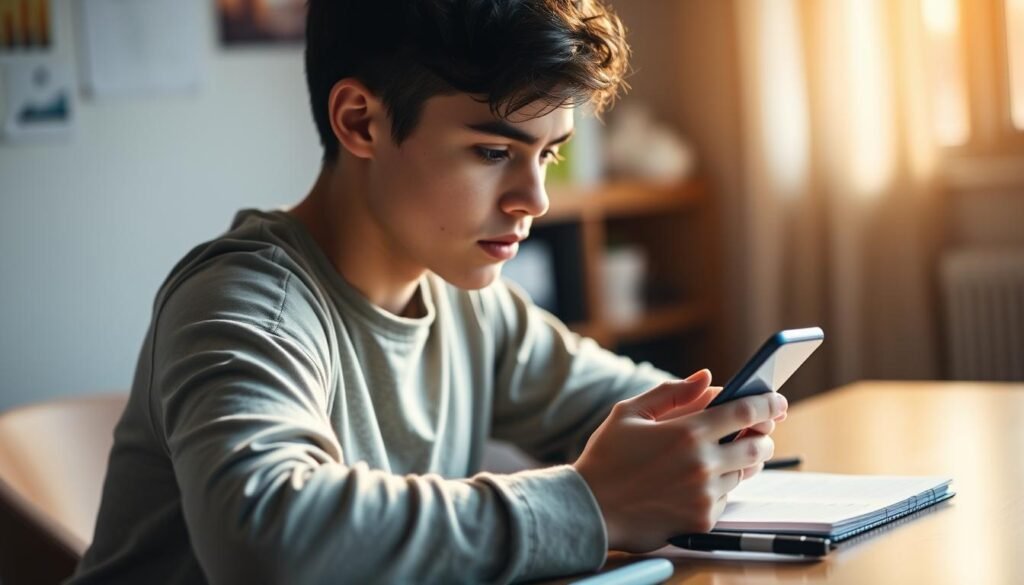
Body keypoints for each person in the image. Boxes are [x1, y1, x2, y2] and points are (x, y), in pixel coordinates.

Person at [71, 1, 787, 583]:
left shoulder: (468, 301)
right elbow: (267, 539)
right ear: (360, 121)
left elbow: (634, 401)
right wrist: (590, 502)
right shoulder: (247, 303)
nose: (533, 199)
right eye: (493, 151)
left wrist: (709, 433)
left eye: (549, 153)